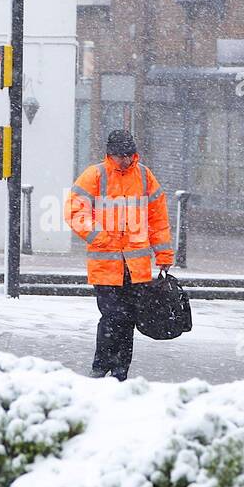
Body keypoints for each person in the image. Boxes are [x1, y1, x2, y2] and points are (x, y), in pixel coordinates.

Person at [64, 130, 174, 381]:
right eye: (119, 155)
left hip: (136, 266)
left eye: (127, 155)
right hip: (106, 264)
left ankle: (120, 370)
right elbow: (74, 211)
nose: (123, 160)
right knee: (113, 316)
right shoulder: (96, 175)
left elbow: (158, 219)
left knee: (128, 319)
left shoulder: (144, 176)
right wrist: (100, 237)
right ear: (109, 154)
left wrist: (164, 253)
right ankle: (101, 366)